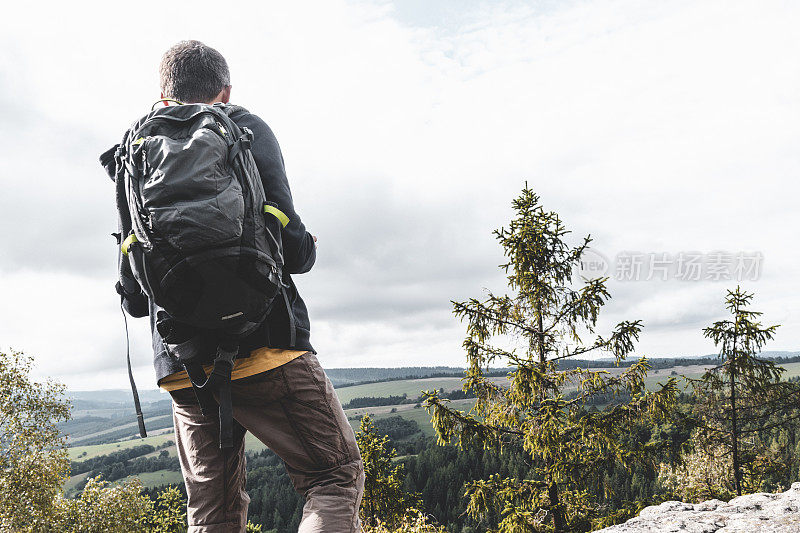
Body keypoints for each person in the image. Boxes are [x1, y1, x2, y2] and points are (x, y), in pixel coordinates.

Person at [118, 40, 364, 532]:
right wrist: (306, 247)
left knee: (213, 511)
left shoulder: (134, 148)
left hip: (183, 364)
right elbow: (293, 247)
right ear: (225, 91)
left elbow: (136, 293)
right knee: (333, 477)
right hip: (266, 342)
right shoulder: (244, 128)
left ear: (163, 91)